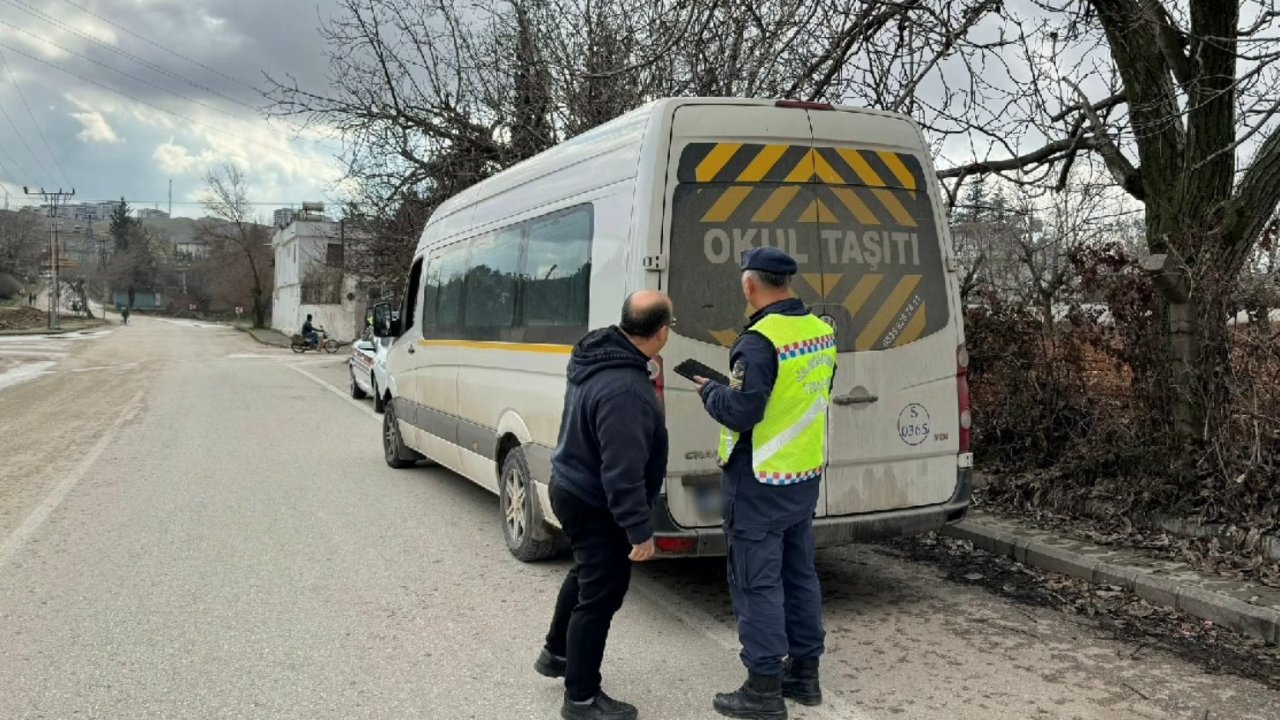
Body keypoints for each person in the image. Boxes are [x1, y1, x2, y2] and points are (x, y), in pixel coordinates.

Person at [693, 248, 836, 720]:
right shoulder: (820, 331)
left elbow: (741, 411)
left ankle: (763, 690)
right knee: (799, 576)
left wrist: (710, 391)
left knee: (756, 583)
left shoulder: (758, 342)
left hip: (758, 481)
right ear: (789, 282)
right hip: (801, 475)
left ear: (749, 285)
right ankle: (805, 675)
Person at [535, 290, 673, 720]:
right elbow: (622, 472)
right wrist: (639, 531)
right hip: (595, 501)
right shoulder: (625, 389)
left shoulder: (602, 354)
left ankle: (557, 654)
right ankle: (581, 698)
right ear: (663, 331)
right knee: (601, 595)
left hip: (572, 486)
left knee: (585, 573)